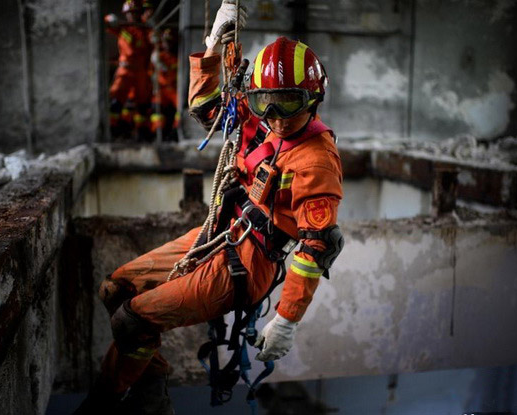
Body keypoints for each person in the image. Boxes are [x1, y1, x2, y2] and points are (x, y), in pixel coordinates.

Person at [76, 1, 343, 413]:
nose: (276, 116)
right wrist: (215, 45)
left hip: (248, 263)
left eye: (288, 102)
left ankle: (106, 405)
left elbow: (316, 247)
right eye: (265, 102)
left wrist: (287, 319)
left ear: (313, 98)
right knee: (116, 290)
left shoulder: (315, 161)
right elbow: (207, 109)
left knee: (133, 319)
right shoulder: (267, 125)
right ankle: (152, 382)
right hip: (221, 233)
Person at [105, 0, 154, 139]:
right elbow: (105, 23)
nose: (131, 16)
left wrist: (152, 27)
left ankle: (141, 133)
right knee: (115, 101)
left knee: (142, 104)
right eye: (129, 13)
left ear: (139, 13)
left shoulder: (145, 29)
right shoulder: (123, 28)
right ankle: (113, 131)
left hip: (141, 72)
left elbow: (156, 43)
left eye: (134, 13)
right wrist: (109, 19)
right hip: (125, 70)